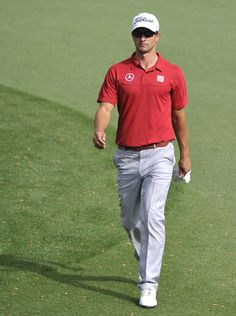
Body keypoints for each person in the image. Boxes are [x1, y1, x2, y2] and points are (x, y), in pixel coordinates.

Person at [93, 12, 191, 308]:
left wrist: (184, 155)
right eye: (139, 33)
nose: (143, 38)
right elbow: (106, 107)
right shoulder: (118, 71)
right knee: (129, 220)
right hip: (126, 157)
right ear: (133, 36)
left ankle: (148, 284)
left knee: (152, 216)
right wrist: (99, 128)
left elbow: (179, 117)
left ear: (157, 36)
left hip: (161, 155)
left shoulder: (173, 73)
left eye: (148, 33)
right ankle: (147, 253)